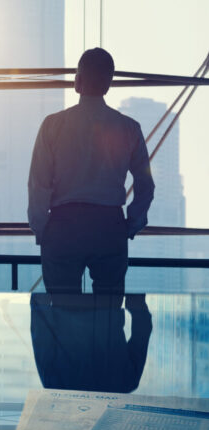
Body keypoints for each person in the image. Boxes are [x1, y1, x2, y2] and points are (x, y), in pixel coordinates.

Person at [27, 48, 155, 294]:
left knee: (62, 312)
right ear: (109, 85)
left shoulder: (52, 125)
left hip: (63, 225)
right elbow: (145, 184)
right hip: (109, 225)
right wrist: (131, 224)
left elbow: (39, 184)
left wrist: (42, 228)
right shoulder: (129, 128)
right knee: (109, 315)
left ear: (77, 81)